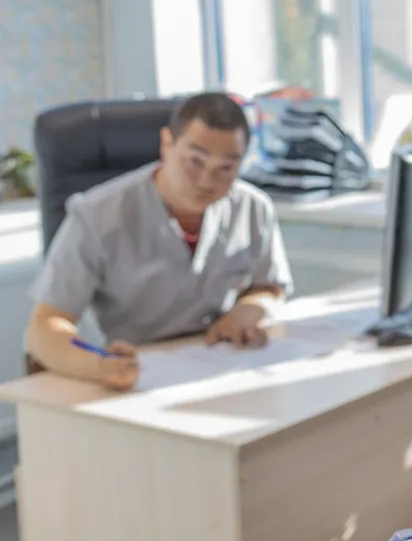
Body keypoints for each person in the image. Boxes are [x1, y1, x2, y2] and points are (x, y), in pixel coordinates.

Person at [26, 92, 293, 390]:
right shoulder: (96, 215)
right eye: (195, 161)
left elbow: (270, 287)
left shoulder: (253, 207)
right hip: (134, 373)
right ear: (166, 144)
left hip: (223, 370)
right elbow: (44, 328)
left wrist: (251, 309)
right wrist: (97, 365)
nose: (207, 181)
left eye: (226, 168)